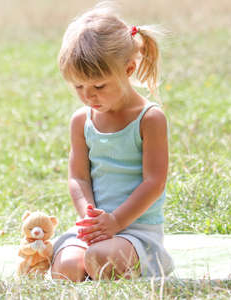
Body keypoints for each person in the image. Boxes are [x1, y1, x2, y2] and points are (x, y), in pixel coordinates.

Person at [51, 2, 174, 281]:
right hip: (95, 229)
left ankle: (147, 262)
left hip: (135, 232)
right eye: (78, 87)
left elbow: (154, 182)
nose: (88, 96)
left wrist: (116, 222)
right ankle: (89, 257)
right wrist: (92, 219)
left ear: (128, 69)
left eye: (98, 86)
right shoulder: (81, 121)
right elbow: (78, 179)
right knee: (67, 267)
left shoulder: (149, 119)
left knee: (101, 260)